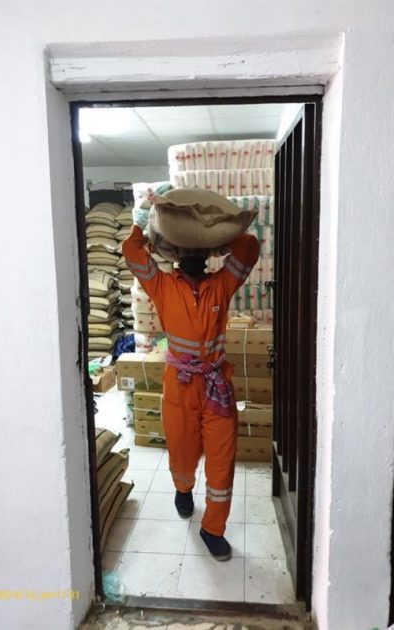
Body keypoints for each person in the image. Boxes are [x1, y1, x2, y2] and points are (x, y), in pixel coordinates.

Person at [122, 224, 259, 561]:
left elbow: (249, 248)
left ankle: (213, 529)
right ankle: (183, 489)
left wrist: (219, 234)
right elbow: (131, 251)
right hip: (180, 388)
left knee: (222, 462)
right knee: (182, 454)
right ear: (177, 254)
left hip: (216, 386)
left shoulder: (222, 285)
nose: (193, 255)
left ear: (207, 253)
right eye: (187, 248)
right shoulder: (162, 285)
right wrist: (150, 229)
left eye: (199, 249)